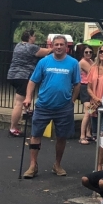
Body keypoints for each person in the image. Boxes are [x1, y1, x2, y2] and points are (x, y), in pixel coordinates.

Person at [22, 36, 82, 179]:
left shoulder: (73, 63)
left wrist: (72, 100)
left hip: (64, 107)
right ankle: (33, 165)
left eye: (61, 44)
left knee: (61, 137)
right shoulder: (44, 62)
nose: (59, 47)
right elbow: (32, 81)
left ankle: (57, 164)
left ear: (66, 46)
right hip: (43, 105)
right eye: (56, 44)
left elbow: (77, 84)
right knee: (35, 135)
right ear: (52, 46)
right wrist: (28, 97)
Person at [6, 31, 50, 136]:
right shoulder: (31, 47)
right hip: (23, 76)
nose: (35, 38)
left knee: (27, 94)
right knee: (19, 103)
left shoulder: (18, 45)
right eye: (34, 36)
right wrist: (53, 47)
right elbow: (46, 51)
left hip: (12, 75)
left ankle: (26, 111)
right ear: (30, 37)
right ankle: (13, 128)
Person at [76, 44, 96, 143]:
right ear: (83, 53)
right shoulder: (83, 62)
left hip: (90, 87)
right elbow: (94, 73)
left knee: (91, 111)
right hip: (84, 87)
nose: (88, 54)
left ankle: (88, 133)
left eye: (90, 52)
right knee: (88, 112)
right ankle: (82, 136)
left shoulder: (91, 61)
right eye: (86, 52)